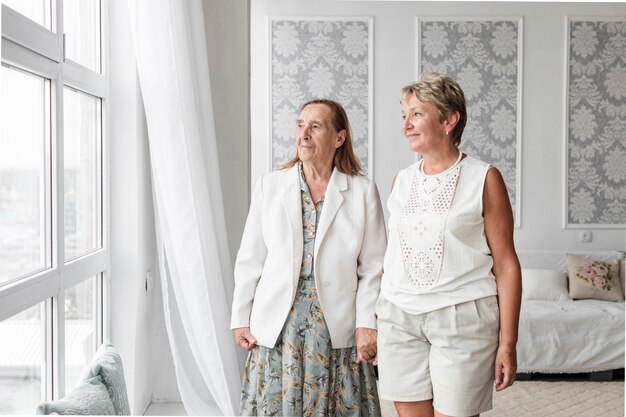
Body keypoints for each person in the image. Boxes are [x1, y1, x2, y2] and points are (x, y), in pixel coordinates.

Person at [376, 72, 522, 417]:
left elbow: (506, 264)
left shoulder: (484, 178)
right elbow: (391, 257)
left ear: (449, 119)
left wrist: (508, 343)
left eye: (416, 114)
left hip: (462, 317)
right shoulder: (401, 180)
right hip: (399, 317)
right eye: (404, 116)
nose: (406, 126)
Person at [231, 99, 386, 416]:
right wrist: (240, 318)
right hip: (278, 323)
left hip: (336, 324)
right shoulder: (271, 186)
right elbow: (250, 258)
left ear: (338, 138)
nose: (303, 134)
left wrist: (367, 324)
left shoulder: (362, 191)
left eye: (315, 126)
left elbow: (373, 269)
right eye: (300, 125)